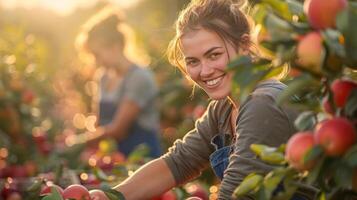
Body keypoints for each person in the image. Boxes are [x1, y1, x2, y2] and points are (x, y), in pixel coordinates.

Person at [110, 0, 317, 199]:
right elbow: (178, 162)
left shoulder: (263, 104)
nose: (205, 71)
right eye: (193, 61)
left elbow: (236, 194)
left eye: (214, 55)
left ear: (244, 45)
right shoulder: (223, 109)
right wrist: (111, 196)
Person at [75, 7, 162, 158]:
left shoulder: (139, 77)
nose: (95, 61)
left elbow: (118, 130)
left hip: (141, 159)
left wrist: (79, 142)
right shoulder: (103, 77)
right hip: (115, 159)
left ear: (115, 46)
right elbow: (100, 122)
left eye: (97, 54)